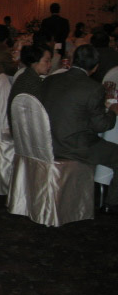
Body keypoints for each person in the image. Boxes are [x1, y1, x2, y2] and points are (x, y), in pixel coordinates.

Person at [40, 44, 118, 215]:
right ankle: (112, 204)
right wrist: (113, 111)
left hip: (45, 141)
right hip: (72, 147)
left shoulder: (50, 80)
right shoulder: (93, 88)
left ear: (73, 60)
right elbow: (101, 125)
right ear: (95, 67)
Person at [7, 44, 52, 129]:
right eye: (46, 61)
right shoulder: (31, 82)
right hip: (27, 130)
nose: (50, 65)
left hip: (19, 128)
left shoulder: (26, 75)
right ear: (35, 61)